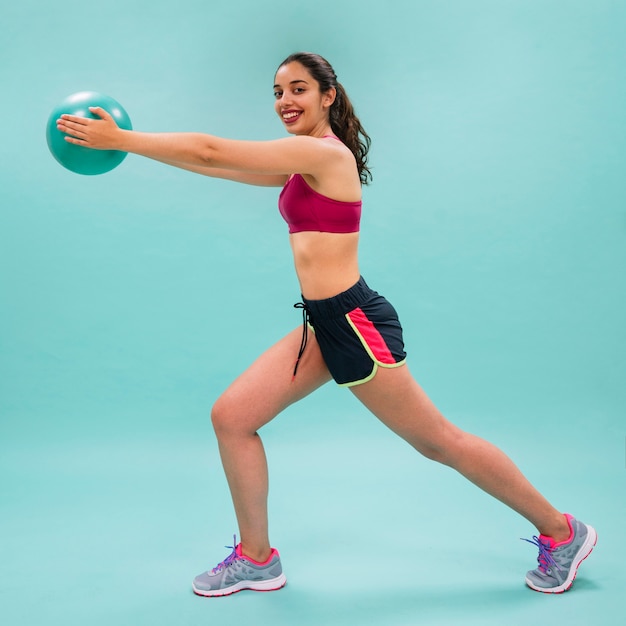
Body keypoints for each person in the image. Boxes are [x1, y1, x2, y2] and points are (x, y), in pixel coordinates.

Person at [56, 52, 596, 597]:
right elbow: (214, 163)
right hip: (323, 323)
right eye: (276, 92)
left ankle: (562, 530)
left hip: (355, 322)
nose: (285, 101)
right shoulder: (301, 162)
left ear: (327, 96)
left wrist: (124, 141)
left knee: (439, 442)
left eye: (298, 89)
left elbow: (211, 147)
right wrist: (134, 152)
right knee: (233, 417)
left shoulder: (324, 155)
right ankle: (257, 559)